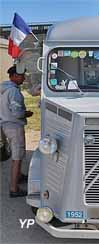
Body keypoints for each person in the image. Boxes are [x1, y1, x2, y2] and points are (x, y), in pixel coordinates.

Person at [0, 65, 33, 197]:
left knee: (16, 154)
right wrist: (27, 113)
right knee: (17, 157)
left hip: (5, 124)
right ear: (13, 76)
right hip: (14, 126)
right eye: (21, 76)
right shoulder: (13, 91)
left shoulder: (3, 88)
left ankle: (19, 176)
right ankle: (14, 189)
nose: (24, 78)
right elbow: (17, 112)